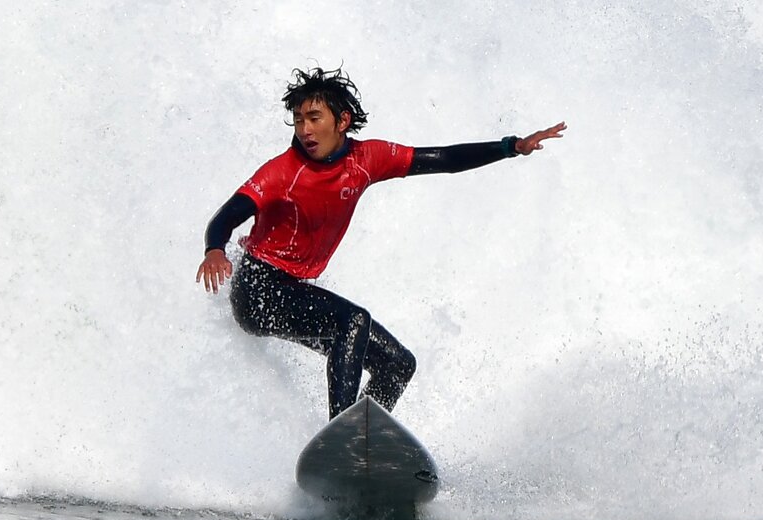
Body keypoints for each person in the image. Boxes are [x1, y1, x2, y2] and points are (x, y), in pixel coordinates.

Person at [196, 66, 565, 420]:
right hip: (259, 291)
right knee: (352, 321)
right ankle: (341, 436)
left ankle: (360, 438)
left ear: (342, 121)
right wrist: (215, 250)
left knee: (397, 364)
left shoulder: (366, 159)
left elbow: (444, 159)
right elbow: (226, 217)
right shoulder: (282, 172)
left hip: (293, 290)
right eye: (298, 120)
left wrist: (511, 146)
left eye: (314, 118)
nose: (305, 129)